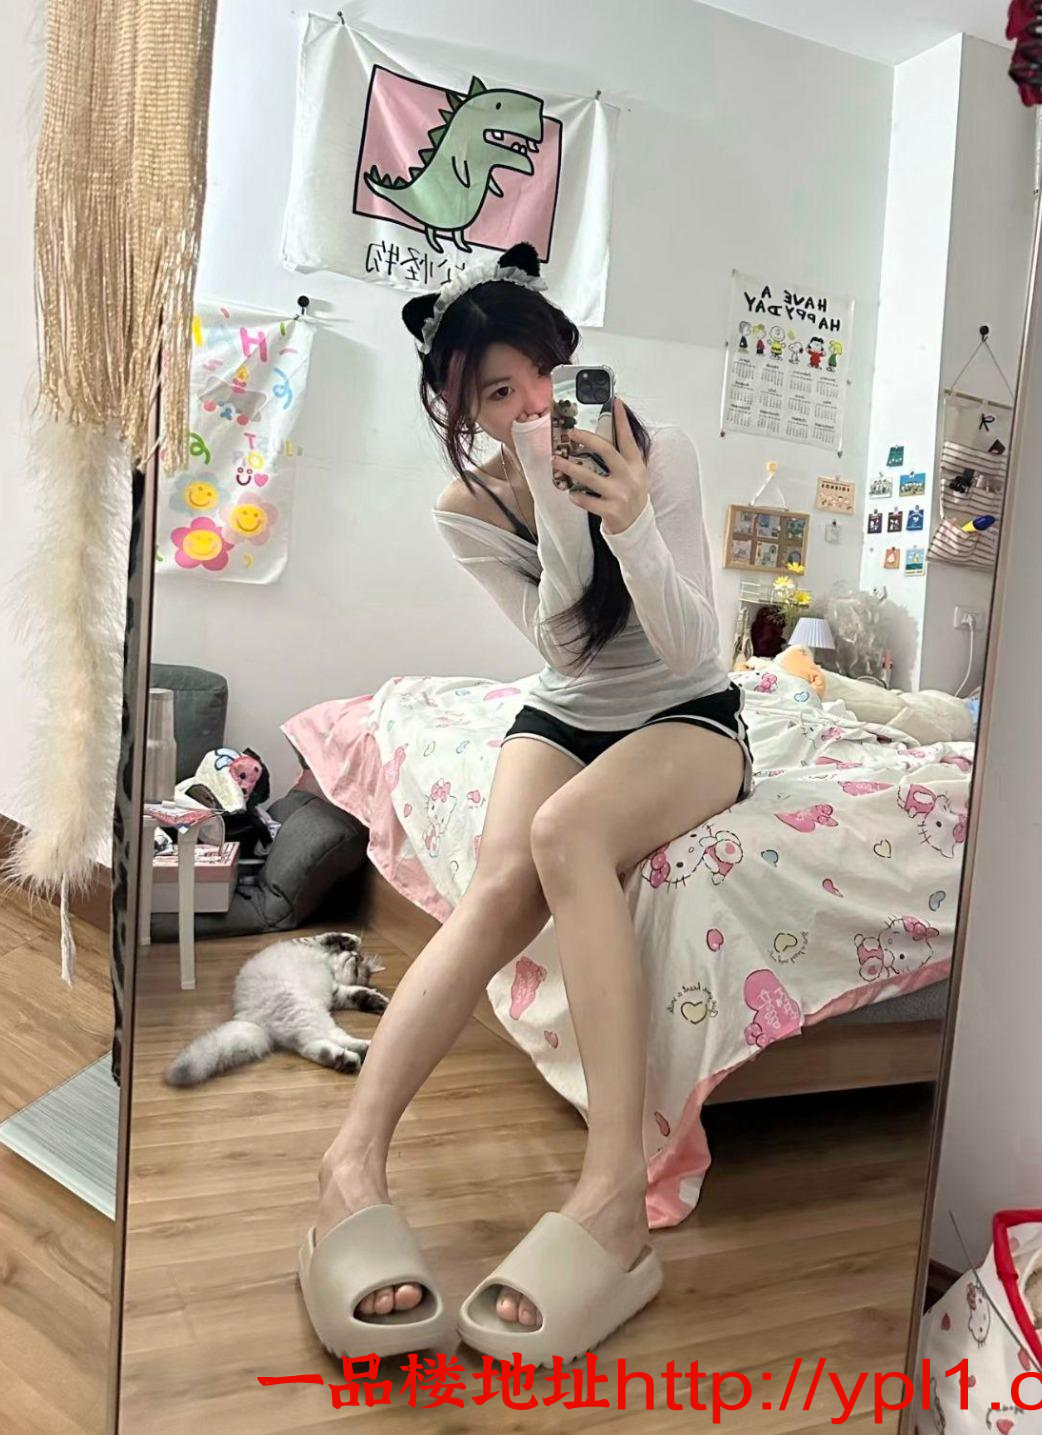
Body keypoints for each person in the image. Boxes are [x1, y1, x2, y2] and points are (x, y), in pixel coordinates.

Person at [298, 241, 754, 1366]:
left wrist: (628, 517)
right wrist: (555, 508)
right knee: (500, 886)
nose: (533, 406)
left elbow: (689, 646)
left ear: (568, 360)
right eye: (497, 395)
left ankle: (612, 1193)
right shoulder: (466, 507)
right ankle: (348, 1164)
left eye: (541, 375)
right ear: (464, 414)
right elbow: (561, 650)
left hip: (687, 714)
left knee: (567, 834)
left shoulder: (661, 451)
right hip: (564, 710)